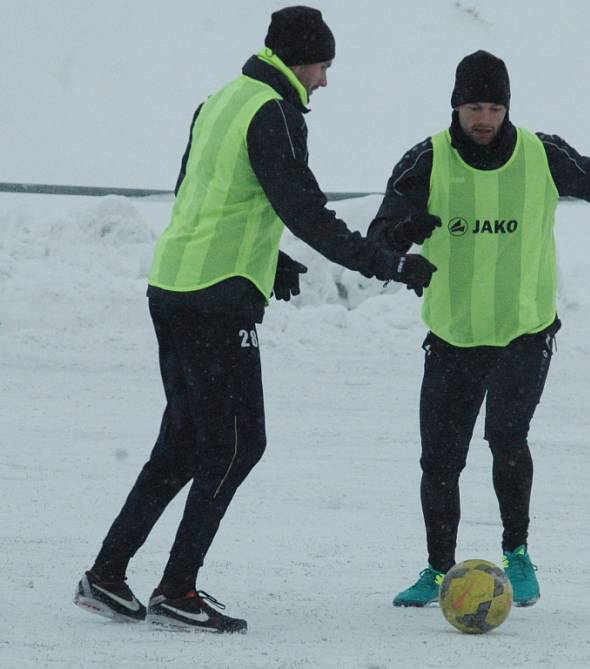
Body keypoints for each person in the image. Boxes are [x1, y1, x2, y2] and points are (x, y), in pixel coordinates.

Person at [73, 5, 435, 634]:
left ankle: (106, 575)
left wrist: (270, 261)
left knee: (185, 439)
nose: (324, 79)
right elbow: (305, 208)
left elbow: (207, 192)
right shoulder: (276, 110)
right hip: (215, 300)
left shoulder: (221, 99)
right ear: (300, 60)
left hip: (175, 285)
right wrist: (384, 263)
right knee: (237, 442)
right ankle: (178, 590)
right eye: (322, 65)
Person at [368, 50, 590, 608]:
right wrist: (401, 231)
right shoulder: (425, 160)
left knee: (506, 441)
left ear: (507, 108)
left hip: (524, 333)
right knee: (440, 459)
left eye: (494, 107)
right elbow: (380, 234)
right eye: (473, 107)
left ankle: (518, 553)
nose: (484, 119)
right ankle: (438, 569)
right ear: (455, 107)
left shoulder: (541, 154)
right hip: (454, 334)